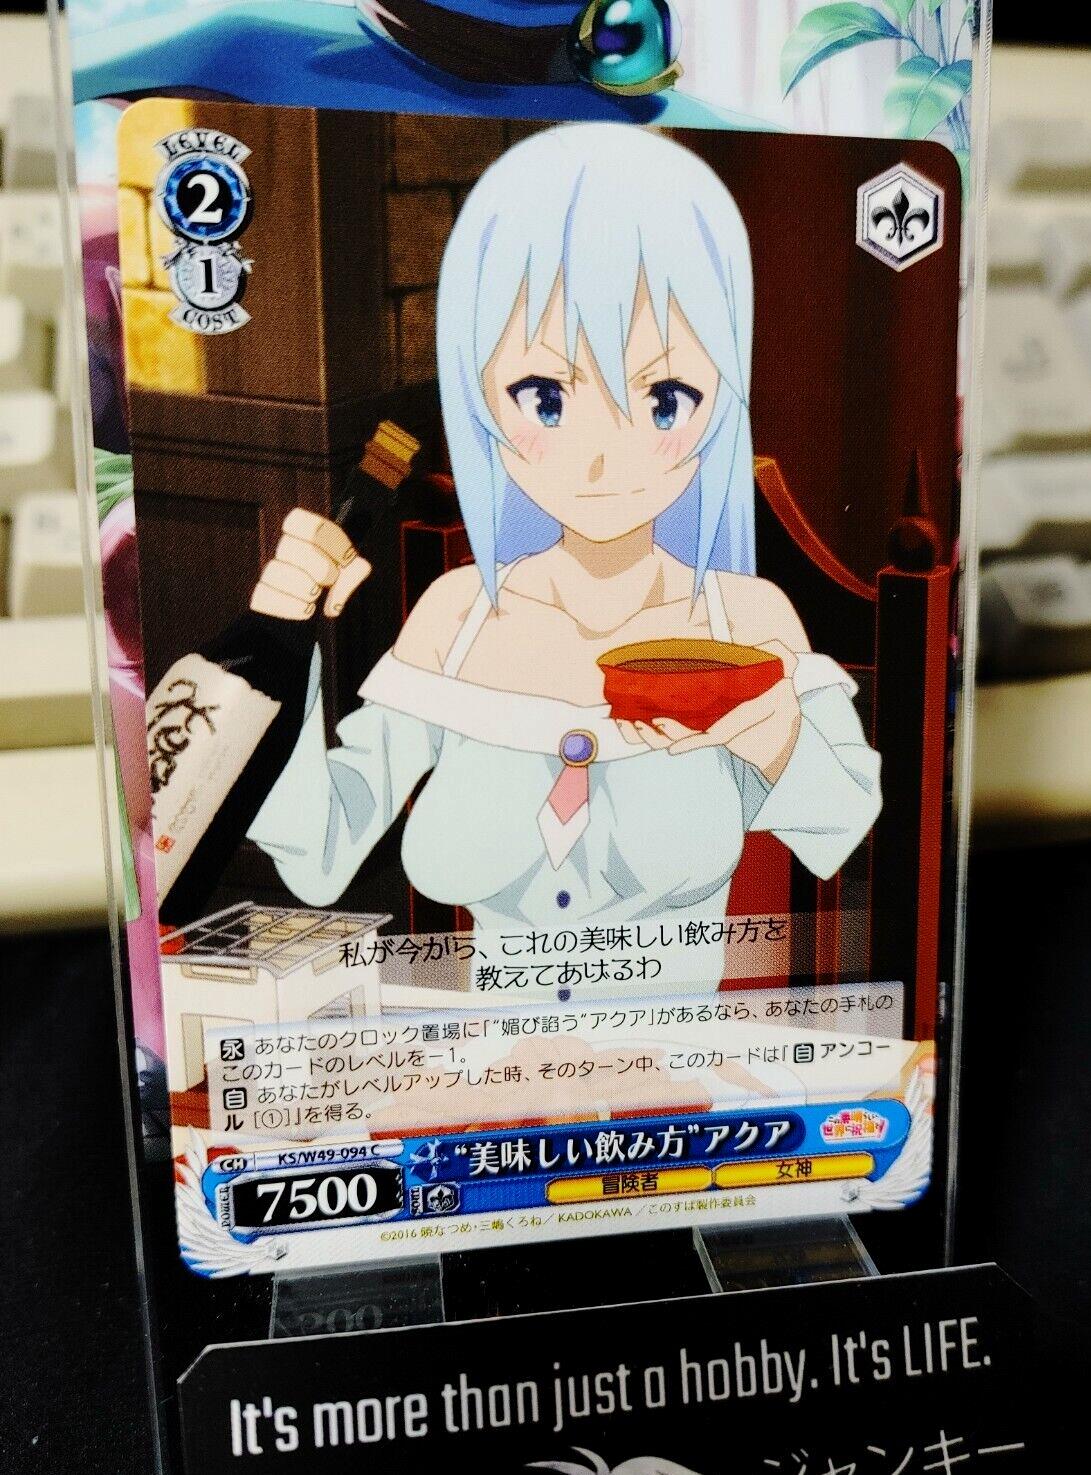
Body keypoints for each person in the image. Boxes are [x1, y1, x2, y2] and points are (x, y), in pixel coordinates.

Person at [246, 123, 882, 996]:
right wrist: (281, 650)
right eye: (544, 398)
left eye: (664, 399)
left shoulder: (745, 620)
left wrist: (770, 736)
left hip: (682, 1066)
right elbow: (319, 853)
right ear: (479, 395)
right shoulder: (456, 619)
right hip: (489, 1058)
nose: (602, 459)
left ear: (720, 399)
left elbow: (843, 827)